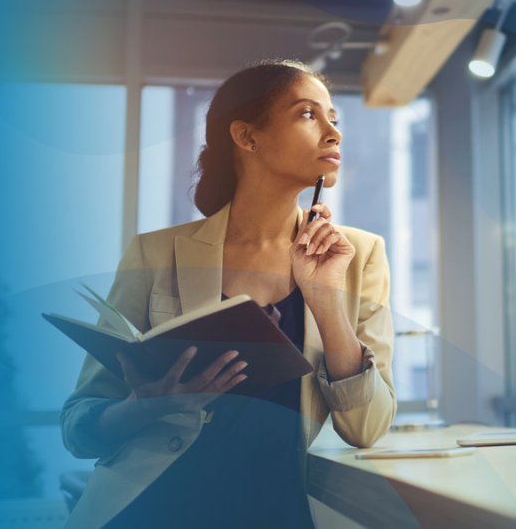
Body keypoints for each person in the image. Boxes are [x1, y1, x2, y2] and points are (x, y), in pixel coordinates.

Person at [59, 58, 397, 529]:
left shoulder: (360, 255)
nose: (333, 133)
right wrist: (147, 406)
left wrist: (324, 300)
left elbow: (367, 429)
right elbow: (79, 426)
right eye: (307, 114)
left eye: (334, 119)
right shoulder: (155, 254)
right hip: (156, 509)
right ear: (246, 136)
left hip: (286, 513)